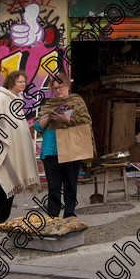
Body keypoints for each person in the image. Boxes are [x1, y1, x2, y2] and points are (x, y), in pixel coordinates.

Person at [34, 72, 95, 219]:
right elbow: (37, 126)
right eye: (55, 88)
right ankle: (53, 216)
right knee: (53, 186)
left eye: (60, 87)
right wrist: (48, 117)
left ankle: (69, 214)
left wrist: (66, 119)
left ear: (67, 85)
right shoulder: (49, 104)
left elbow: (85, 121)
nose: (58, 90)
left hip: (70, 148)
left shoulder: (77, 101)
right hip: (51, 150)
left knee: (70, 183)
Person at [0, 70, 40, 232]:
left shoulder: (16, 100)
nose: (23, 84)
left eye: (24, 81)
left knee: (10, 182)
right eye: (20, 81)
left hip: (12, 153)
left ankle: (2, 218)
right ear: (11, 82)